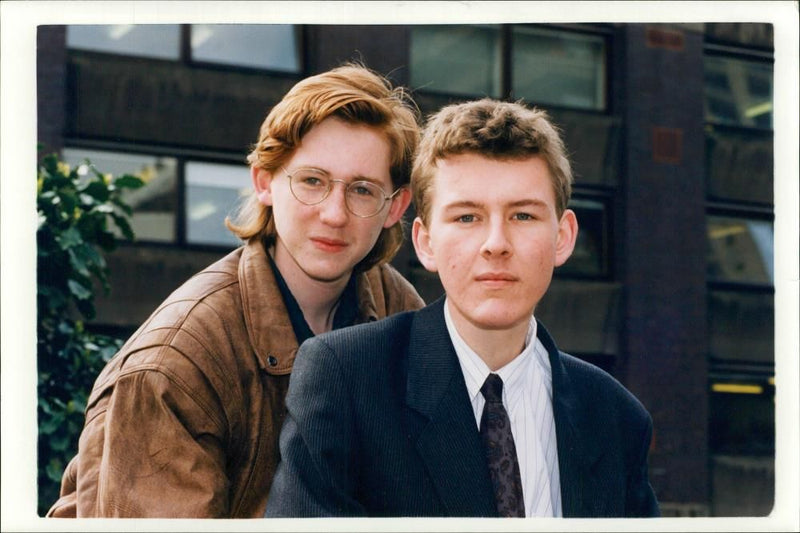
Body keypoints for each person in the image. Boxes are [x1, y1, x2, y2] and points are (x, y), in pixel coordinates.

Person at [46, 64, 425, 518]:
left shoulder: (396, 309)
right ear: (264, 181)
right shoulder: (172, 367)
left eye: (362, 190)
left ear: (394, 207)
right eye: (312, 181)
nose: (334, 214)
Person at [265, 98, 660, 518]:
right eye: (467, 217)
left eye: (523, 216)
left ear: (562, 237)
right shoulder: (345, 379)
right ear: (425, 241)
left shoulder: (617, 417)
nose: (496, 243)